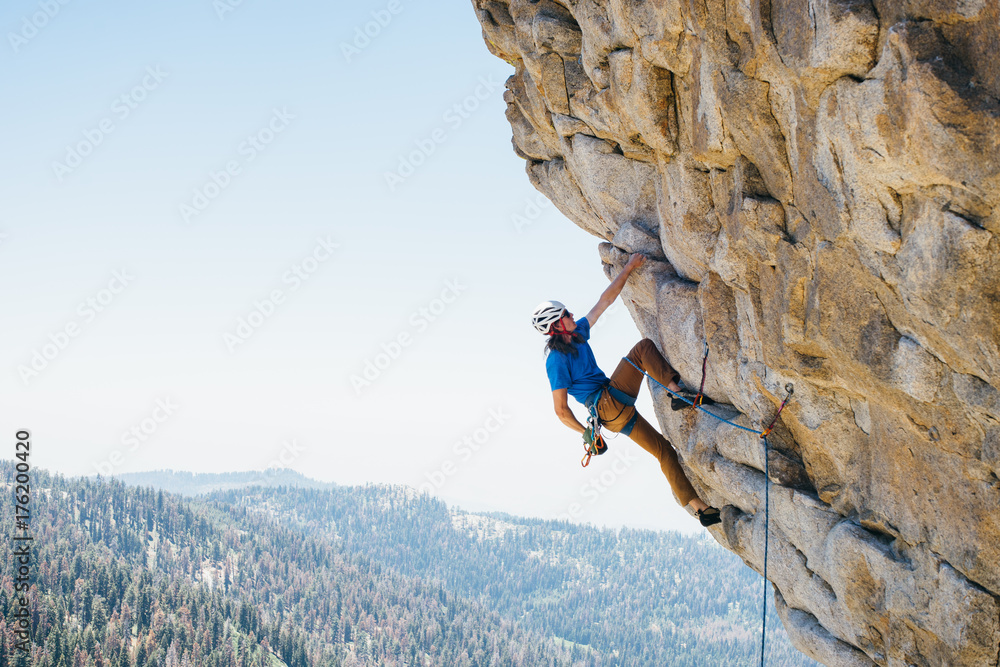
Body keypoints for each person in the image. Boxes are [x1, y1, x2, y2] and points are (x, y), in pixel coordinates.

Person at [532, 253, 721, 527]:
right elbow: (560, 410)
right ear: (555, 325)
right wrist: (584, 432)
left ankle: (701, 510)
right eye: (565, 315)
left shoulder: (577, 335)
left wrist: (630, 267)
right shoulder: (556, 360)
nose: (572, 315)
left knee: (664, 452)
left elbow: (604, 301)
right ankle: (677, 393)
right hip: (608, 403)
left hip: (612, 415)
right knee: (643, 349)